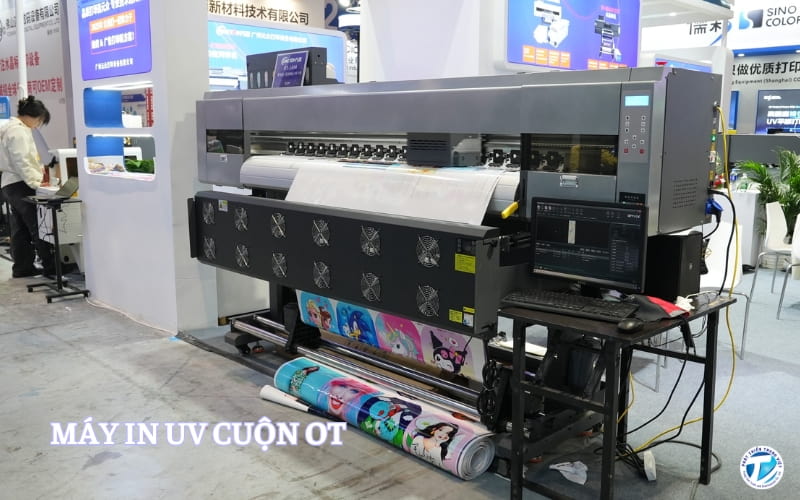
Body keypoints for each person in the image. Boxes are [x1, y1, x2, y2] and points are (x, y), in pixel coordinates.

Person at [0, 96, 55, 278]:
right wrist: (37, 183)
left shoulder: (8, 128)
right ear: (33, 116)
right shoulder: (18, 132)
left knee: (20, 228)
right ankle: (51, 266)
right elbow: (23, 161)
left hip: (10, 183)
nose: (37, 126)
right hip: (20, 184)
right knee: (37, 225)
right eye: (39, 121)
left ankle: (23, 267)